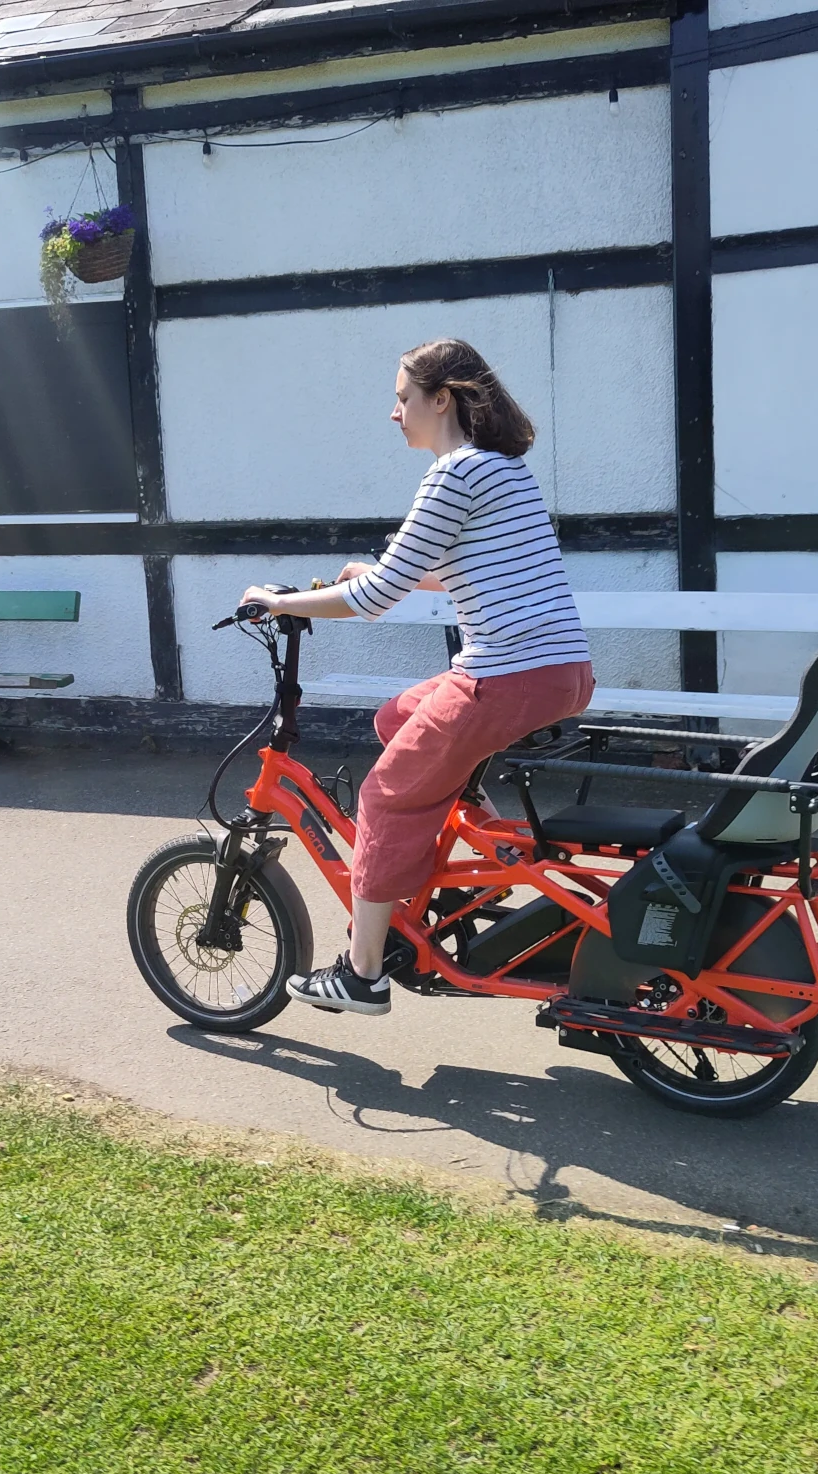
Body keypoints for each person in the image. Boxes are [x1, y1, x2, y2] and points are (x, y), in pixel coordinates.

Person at [238, 338, 594, 1017]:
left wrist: (278, 602)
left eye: (403, 398)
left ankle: (362, 972)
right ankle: (464, 865)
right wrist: (374, 574)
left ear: (443, 398)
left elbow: (372, 602)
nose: (394, 413)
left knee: (384, 796)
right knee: (399, 717)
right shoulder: (503, 468)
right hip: (560, 671)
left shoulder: (453, 473)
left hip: (507, 676)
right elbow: (466, 564)